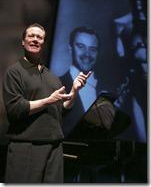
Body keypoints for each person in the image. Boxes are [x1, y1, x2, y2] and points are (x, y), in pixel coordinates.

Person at [2, 23, 91, 183]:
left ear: (44, 43)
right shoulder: (14, 72)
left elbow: (62, 110)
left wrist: (74, 92)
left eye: (40, 37)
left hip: (54, 147)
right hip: (26, 147)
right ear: (23, 42)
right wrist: (49, 100)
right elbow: (15, 109)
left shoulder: (52, 77)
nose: (35, 40)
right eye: (31, 36)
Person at [60, 26, 102, 136]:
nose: (87, 54)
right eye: (81, 46)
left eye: (93, 49)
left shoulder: (105, 88)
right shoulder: (56, 85)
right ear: (70, 48)